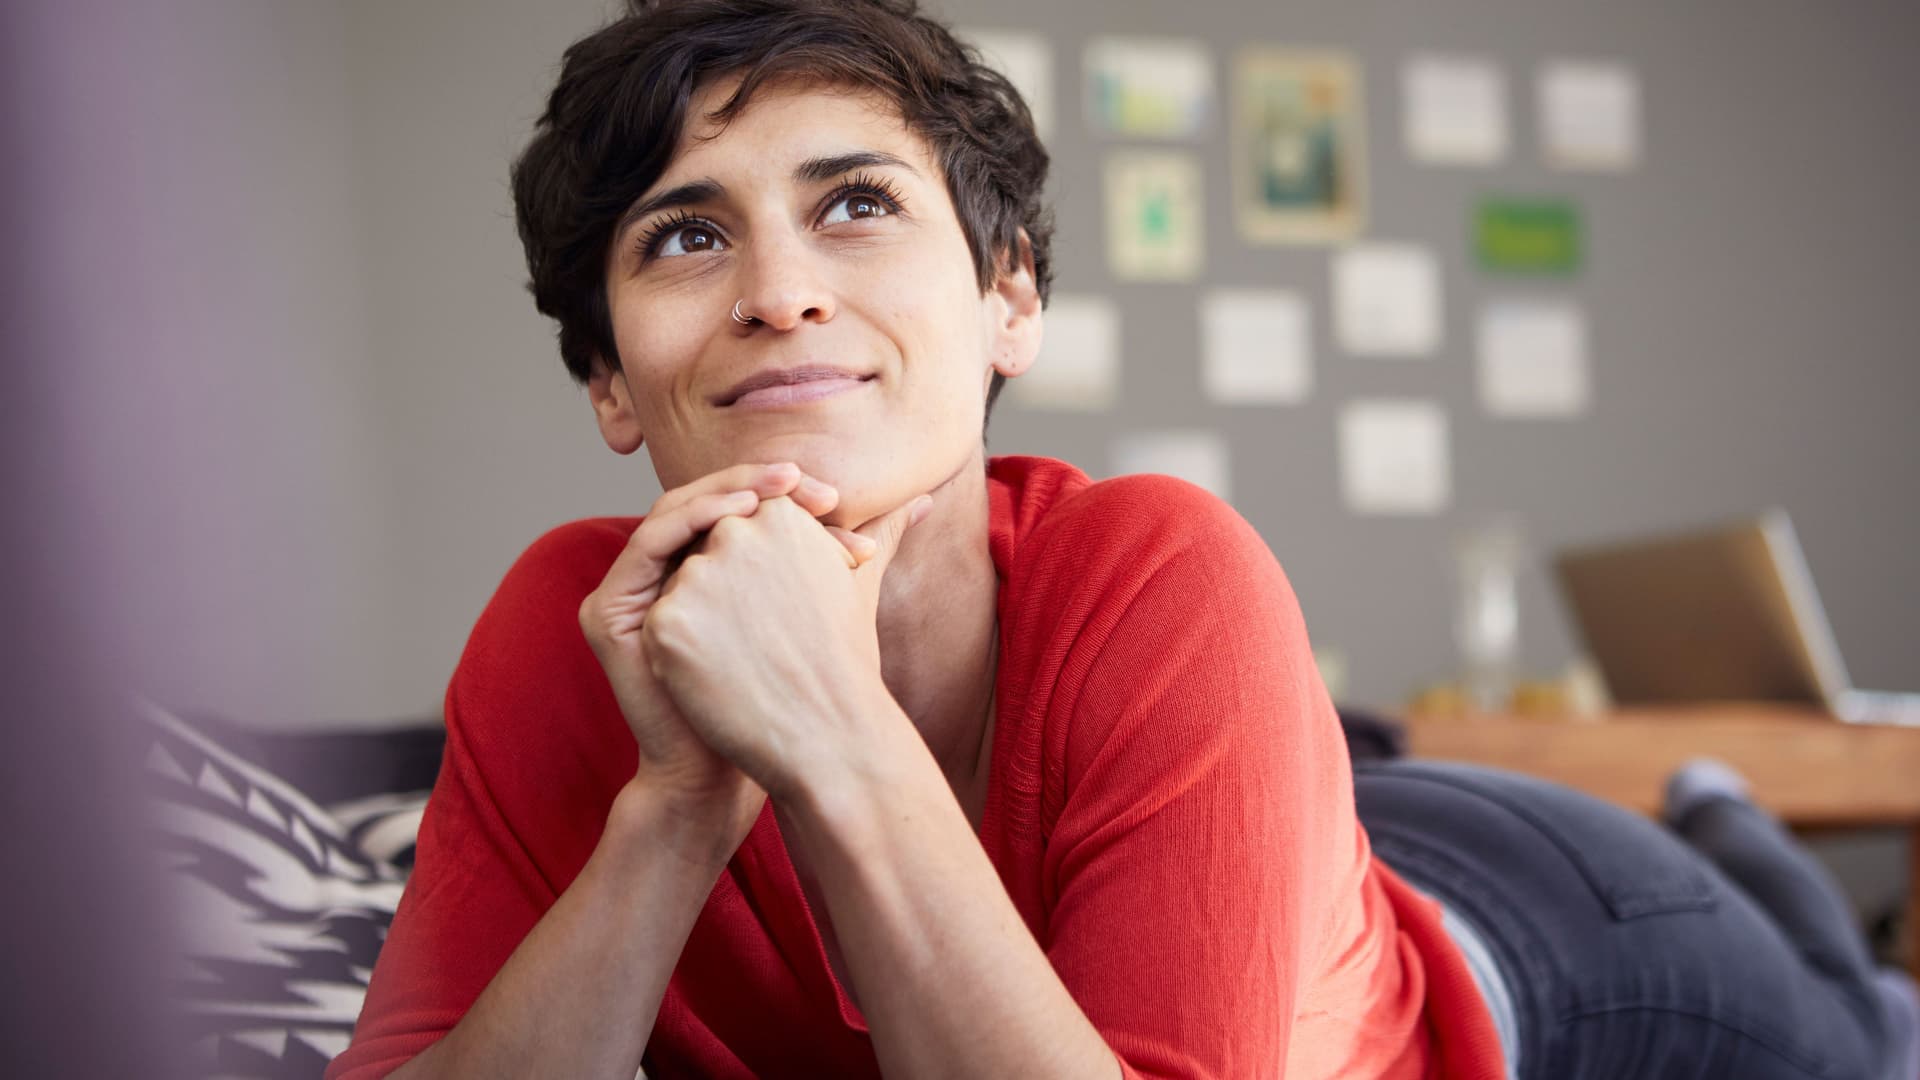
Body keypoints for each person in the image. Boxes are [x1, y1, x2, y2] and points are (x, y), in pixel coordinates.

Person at [327, 1, 1916, 1077]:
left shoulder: (1163, 566)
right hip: (1285, 865)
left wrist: (823, 732)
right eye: (687, 234)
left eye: (859, 203)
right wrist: (678, 802)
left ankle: (1746, 859)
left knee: (1867, 1032)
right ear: (611, 377)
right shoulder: (562, 628)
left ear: (1009, 299)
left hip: (1545, 945)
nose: (780, 291)